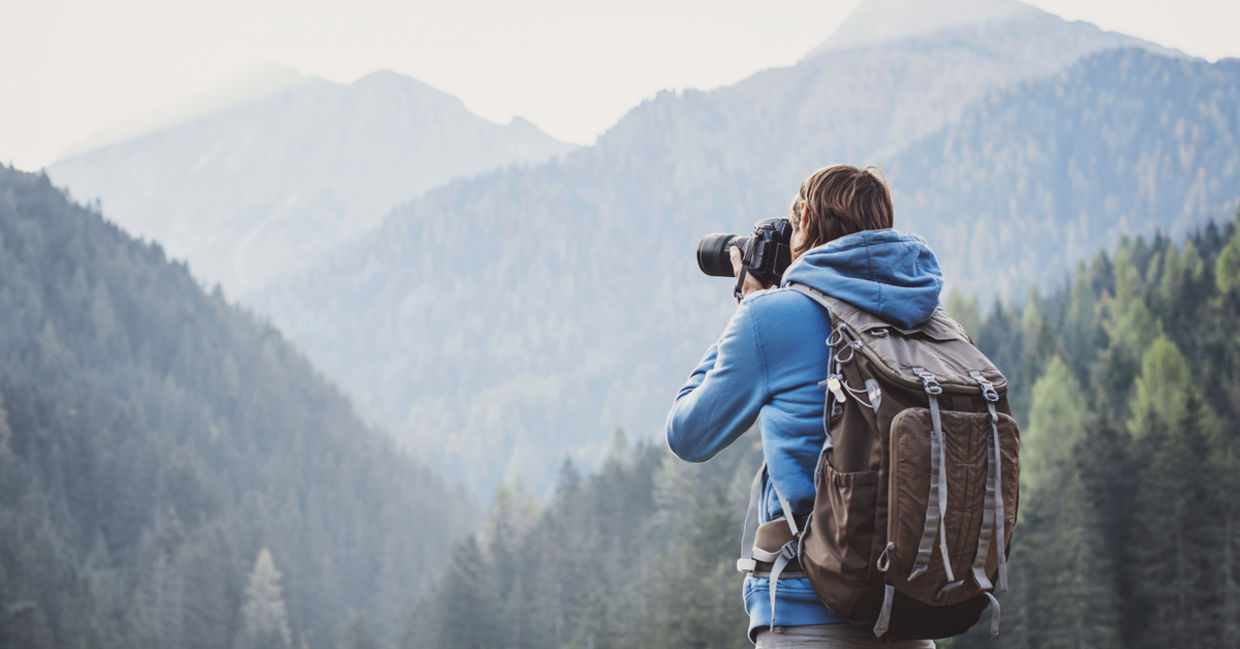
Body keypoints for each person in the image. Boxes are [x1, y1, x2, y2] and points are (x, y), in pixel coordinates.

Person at [665, 164, 942, 648]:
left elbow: (687, 434)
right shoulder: (928, 319)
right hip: (911, 613)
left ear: (806, 217)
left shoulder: (773, 317)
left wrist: (749, 307)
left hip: (808, 614)